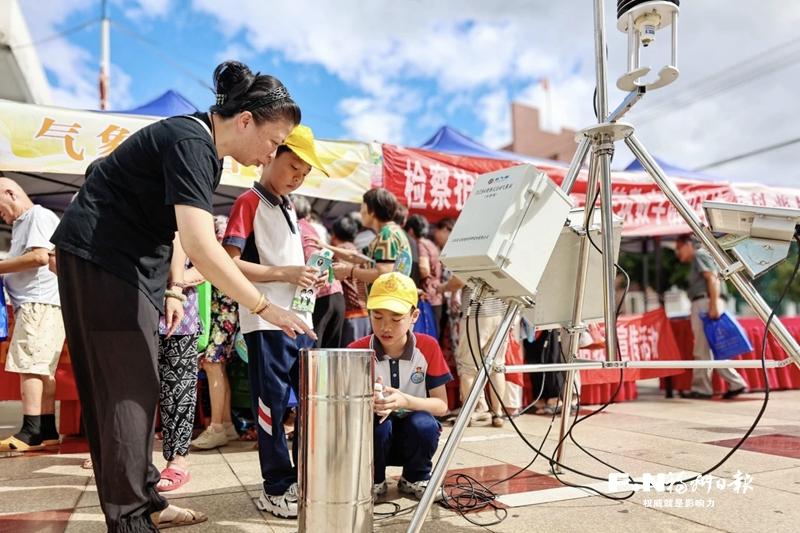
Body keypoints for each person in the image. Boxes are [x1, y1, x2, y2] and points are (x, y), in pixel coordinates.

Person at [50, 60, 314, 532]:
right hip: (102, 260)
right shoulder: (192, 141)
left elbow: (173, 234)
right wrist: (264, 305)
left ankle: (145, 499)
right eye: (274, 144)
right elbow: (201, 245)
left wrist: (170, 288)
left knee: (139, 386)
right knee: (124, 394)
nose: (269, 154)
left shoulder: (200, 150)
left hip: (128, 268)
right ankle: (131, 519)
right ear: (246, 120)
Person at [223, 124, 328, 519]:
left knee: (306, 404)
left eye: (305, 172)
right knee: (271, 406)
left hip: (298, 320)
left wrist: (302, 276)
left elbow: (285, 265)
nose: (298, 177)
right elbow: (228, 263)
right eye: (293, 167)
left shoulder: (289, 207)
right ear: (272, 155)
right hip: (265, 323)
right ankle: (275, 486)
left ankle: (299, 475)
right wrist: (284, 272)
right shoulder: (248, 201)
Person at [347, 272, 451, 501]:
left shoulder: (428, 347)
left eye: (396, 318)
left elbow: (442, 405)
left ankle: (416, 477)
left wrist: (405, 401)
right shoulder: (356, 350)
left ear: (414, 316)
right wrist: (369, 404)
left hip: (413, 439)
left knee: (423, 423)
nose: (385, 327)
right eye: (377, 317)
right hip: (376, 439)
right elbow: (346, 409)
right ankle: (373, 480)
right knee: (376, 423)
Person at [0, 179, 65, 452]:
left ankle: (32, 430)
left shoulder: (36, 215)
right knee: (40, 368)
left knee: (30, 367)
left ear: (10, 193)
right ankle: (46, 429)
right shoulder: (24, 222)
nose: (0, 214)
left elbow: (40, 257)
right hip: (40, 304)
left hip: (39, 303)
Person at [675, 235, 748, 399]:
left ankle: (702, 389)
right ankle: (736, 383)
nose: (678, 253)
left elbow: (712, 279)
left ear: (688, 244)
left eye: (679, 248)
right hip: (708, 301)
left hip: (705, 302)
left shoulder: (700, 254)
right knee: (715, 347)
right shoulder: (701, 257)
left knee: (702, 348)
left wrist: (713, 304)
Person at [156, 236, 202, 492]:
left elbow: (208, 263)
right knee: (133, 385)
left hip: (179, 310)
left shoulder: (185, 209)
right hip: (139, 301)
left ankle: (177, 460)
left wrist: (177, 284)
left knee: (178, 388)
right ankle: (125, 453)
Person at [192, 215, 241, 450]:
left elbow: (214, 264)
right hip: (226, 308)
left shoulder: (217, 225)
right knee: (217, 366)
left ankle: (217, 427)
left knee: (212, 364)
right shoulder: (220, 222)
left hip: (223, 309)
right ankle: (227, 425)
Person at [330, 188, 412, 285]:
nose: (360, 212)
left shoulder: (388, 235)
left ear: (372, 211)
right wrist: (325, 246)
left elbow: (382, 273)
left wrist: (348, 270)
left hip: (386, 297)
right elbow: (356, 256)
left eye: (362, 207)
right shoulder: (389, 232)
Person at [294, 194, 345, 348]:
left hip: (321, 297)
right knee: (329, 353)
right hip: (336, 294)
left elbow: (313, 265)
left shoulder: (298, 228)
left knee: (314, 353)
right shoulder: (314, 228)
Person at [331, 215, 371, 346]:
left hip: (350, 313)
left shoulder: (338, 253)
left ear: (335, 234)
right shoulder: (358, 252)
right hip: (365, 312)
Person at [405, 214, 443, 332]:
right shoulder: (431, 244)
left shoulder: (420, 244)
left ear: (410, 231)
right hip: (437, 295)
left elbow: (424, 269)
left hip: (427, 297)